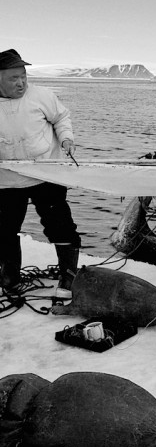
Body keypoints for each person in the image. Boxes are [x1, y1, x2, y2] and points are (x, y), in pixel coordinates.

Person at [0, 49, 81, 299]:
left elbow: (61, 118)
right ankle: (9, 279)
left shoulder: (41, 95)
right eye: (13, 78)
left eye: (23, 75)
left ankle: (68, 277)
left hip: (46, 173)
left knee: (60, 226)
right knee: (4, 230)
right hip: (7, 179)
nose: (21, 82)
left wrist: (66, 139)